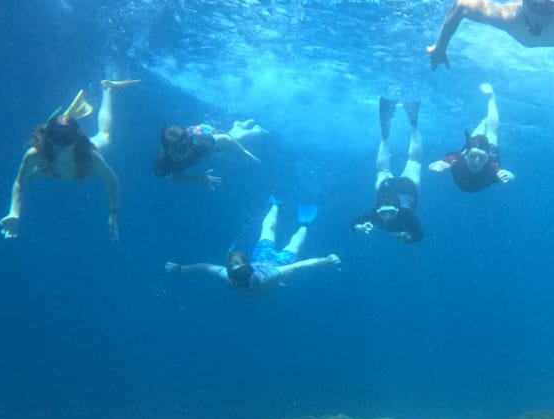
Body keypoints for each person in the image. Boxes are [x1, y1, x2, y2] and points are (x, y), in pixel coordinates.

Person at [0, 80, 140, 240]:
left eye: (66, 142)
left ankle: (107, 88)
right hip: (51, 170)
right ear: (49, 141)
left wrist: (113, 214)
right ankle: (63, 119)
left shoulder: (89, 154)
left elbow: (112, 180)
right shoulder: (36, 154)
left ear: (76, 141)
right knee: (31, 174)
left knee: (105, 137)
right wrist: (14, 212)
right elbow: (20, 181)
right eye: (56, 141)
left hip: (75, 166)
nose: (60, 147)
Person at [165, 199, 339, 296]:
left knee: (289, 243)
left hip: (274, 265)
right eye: (237, 278)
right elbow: (204, 267)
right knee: (271, 234)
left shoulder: (269, 277)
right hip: (262, 259)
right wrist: (181, 269)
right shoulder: (230, 276)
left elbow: (301, 266)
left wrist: (326, 261)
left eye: (240, 278)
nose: (240, 282)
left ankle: (300, 220)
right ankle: (279, 205)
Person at [352, 98, 424, 244]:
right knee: (413, 162)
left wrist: (358, 227)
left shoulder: (375, 215)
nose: (386, 217)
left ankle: (387, 135)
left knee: (412, 162)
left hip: (396, 187)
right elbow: (419, 235)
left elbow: (353, 223)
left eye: (388, 213)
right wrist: (408, 237)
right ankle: (411, 125)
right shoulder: (406, 216)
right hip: (406, 187)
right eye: (385, 213)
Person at [429, 82, 515, 191]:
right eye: (473, 156)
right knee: (488, 128)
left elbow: (511, 176)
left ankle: (491, 98)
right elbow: (435, 164)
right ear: (466, 155)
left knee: (491, 130)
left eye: (482, 158)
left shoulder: (492, 167)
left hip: (487, 150)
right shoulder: (457, 160)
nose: (476, 161)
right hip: (474, 147)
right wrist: (438, 164)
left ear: (487, 157)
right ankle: (487, 112)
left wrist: (508, 175)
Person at [153, 118, 266, 184]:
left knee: (232, 142)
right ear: (168, 150)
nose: (185, 152)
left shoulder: (198, 142)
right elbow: (174, 177)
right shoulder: (165, 163)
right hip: (192, 138)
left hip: (202, 132)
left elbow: (226, 139)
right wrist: (200, 179)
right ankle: (239, 125)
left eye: (186, 147)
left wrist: (245, 153)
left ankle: (255, 130)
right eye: (180, 149)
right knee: (224, 151)